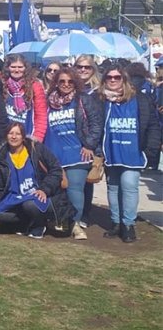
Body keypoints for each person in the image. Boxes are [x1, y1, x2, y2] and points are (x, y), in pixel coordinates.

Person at [99, 65, 161, 243]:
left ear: (124, 79)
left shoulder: (140, 99)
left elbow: (153, 125)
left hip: (133, 152)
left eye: (117, 77)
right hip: (111, 151)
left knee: (129, 184)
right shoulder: (101, 99)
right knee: (113, 187)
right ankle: (116, 222)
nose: (112, 80)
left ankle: (128, 224)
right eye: (109, 77)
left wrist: (150, 150)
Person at [44, 67, 103, 239]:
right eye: (62, 81)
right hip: (54, 153)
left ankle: (76, 224)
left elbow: (96, 124)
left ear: (75, 82)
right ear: (56, 82)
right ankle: (59, 220)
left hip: (78, 152)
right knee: (56, 190)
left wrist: (90, 145)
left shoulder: (83, 99)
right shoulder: (49, 101)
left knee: (75, 188)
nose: (66, 84)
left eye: (70, 81)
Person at [0, 123, 71, 239]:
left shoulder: (37, 149)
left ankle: (40, 225)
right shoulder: (0, 158)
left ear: (23, 136)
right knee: (0, 214)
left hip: (41, 195)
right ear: (6, 136)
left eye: (18, 134)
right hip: (16, 198)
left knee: (30, 205)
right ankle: (26, 224)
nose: (14, 137)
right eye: (11, 133)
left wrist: (44, 190)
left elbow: (56, 170)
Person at [3, 54, 48, 142]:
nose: (16, 70)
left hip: (28, 135)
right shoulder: (3, 84)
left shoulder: (35, 85)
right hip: (8, 136)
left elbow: (41, 116)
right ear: (8, 68)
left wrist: (37, 138)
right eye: (13, 67)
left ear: (25, 68)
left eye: (20, 67)